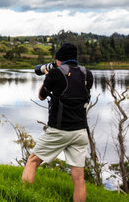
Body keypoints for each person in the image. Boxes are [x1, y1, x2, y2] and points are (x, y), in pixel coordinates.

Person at [22, 43, 93, 202]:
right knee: (79, 178)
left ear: (59, 59)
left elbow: (41, 96)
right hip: (80, 131)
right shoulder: (87, 74)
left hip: (59, 129)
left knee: (32, 161)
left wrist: (48, 75)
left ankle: (23, 196)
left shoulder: (55, 73)